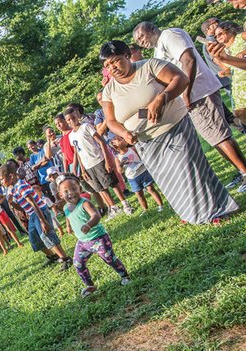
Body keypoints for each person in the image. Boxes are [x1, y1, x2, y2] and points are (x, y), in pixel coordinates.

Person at [100, 40, 238, 224]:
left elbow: (180, 78)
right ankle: (189, 212)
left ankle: (211, 212)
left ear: (127, 55)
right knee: (169, 179)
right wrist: (124, 133)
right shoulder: (109, 91)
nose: (112, 67)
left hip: (175, 127)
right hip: (146, 141)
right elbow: (111, 121)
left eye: (115, 60)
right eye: (107, 65)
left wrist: (162, 97)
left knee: (190, 171)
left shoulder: (150, 66)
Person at [134, 22, 246, 188]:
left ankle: (244, 172)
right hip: (192, 97)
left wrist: (186, 93)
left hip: (199, 93)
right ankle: (241, 171)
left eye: (141, 36)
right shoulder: (158, 50)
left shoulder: (170, 35)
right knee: (215, 138)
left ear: (151, 29)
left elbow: (188, 59)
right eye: (138, 41)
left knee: (219, 137)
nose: (141, 41)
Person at [59, 175, 130, 298]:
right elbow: (68, 216)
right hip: (82, 242)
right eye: (65, 191)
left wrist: (88, 224)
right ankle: (90, 285)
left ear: (80, 189)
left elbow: (96, 215)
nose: (70, 193)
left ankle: (125, 275)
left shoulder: (85, 203)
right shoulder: (66, 207)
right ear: (60, 195)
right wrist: (68, 226)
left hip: (98, 238)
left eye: (73, 189)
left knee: (109, 258)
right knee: (78, 264)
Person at [0, 164, 73, 270]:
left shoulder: (21, 185)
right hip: (32, 215)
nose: (1, 182)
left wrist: (42, 220)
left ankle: (65, 258)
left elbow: (33, 203)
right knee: (34, 239)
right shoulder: (14, 189)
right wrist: (12, 204)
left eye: (1, 179)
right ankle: (52, 256)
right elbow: (22, 207)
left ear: (11, 176)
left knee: (47, 235)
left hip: (39, 212)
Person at [64, 107, 134, 219]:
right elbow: (78, 152)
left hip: (98, 160)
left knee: (112, 183)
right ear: (66, 121)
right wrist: (82, 170)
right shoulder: (71, 135)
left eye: (73, 117)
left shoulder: (86, 127)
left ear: (77, 116)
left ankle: (126, 205)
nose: (72, 121)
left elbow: (101, 141)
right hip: (88, 166)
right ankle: (114, 208)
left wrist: (107, 160)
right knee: (100, 188)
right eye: (69, 120)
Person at [109, 136, 165, 212]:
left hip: (143, 172)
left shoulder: (132, 149)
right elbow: (120, 171)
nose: (123, 139)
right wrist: (121, 164)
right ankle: (145, 210)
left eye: (122, 138)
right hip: (132, 178)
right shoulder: (118, 158)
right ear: (116, 148)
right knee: (139, 194)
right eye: (119, 140)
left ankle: (161, 205)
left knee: (151, 189)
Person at [215, 22, 246, 130]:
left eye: (220, 34)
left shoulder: (242, 37)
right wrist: (224, 72)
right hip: (238, 83)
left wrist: (243, 51)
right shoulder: (222, 52)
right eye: (216, 36)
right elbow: (230, 70)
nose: (218, 37)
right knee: (239, 113)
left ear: (229, 30)